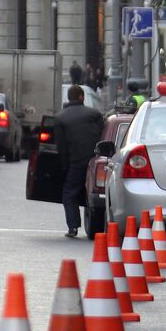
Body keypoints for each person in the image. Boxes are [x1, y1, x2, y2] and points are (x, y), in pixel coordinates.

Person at [53, 85, 104, 238]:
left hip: (77, 162)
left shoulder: (60, 118)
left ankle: (73, 227)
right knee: (97, 193)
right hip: (97, 161)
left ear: (69, 98)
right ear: (82, 97)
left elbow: (61, 147)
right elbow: (103, 136)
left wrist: (65, 166)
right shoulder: (94, 114)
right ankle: (100, 225)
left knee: (69, 193)